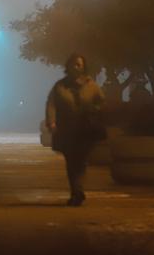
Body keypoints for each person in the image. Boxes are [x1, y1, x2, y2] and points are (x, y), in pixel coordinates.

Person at [46, 53, 106, 206]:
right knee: (72, 162)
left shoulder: (92, 86)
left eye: (79, 64)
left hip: (86, 130)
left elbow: (102, 103)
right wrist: (52, 122)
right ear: (68, 66)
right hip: (67, 130)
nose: (76, 67)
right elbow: (51, 104)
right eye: (73, 64)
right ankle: (77, 191)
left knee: (81, 162)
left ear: (84, 67)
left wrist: (95, 110)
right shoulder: (60, 86)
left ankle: (77, 190)